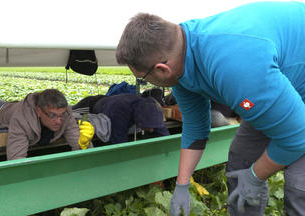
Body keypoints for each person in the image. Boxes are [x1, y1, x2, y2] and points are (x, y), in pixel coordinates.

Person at [115, 2, 305, 215]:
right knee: (241, 160)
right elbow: (196, 129)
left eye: (142, 78)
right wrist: (182, 185)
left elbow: (297, 137)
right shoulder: (181, 61)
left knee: (299, 184)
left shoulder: (236, 66)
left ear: (161, 69)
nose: (144, 82)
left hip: (287, 85)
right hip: (276, 88)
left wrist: (255, 176)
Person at [0, 89, 94, 160]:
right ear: (39, 111)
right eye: (52, 116)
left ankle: (2, 103)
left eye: (61, 115)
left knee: (5, 105)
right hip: (4, 113)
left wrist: (86, 147)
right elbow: (16, 159)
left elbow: (79, 144)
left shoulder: (65, 114)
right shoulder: (21, 120)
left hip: (17, 106)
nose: (59, 121)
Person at [88, 93, 170, 144]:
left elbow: (164, 134)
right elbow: (119, 144)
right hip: (98, 104)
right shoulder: (119, 115)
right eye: (148, 127)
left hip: (122, 100)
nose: (152, 130)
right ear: (138, 120)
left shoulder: (151, 108)